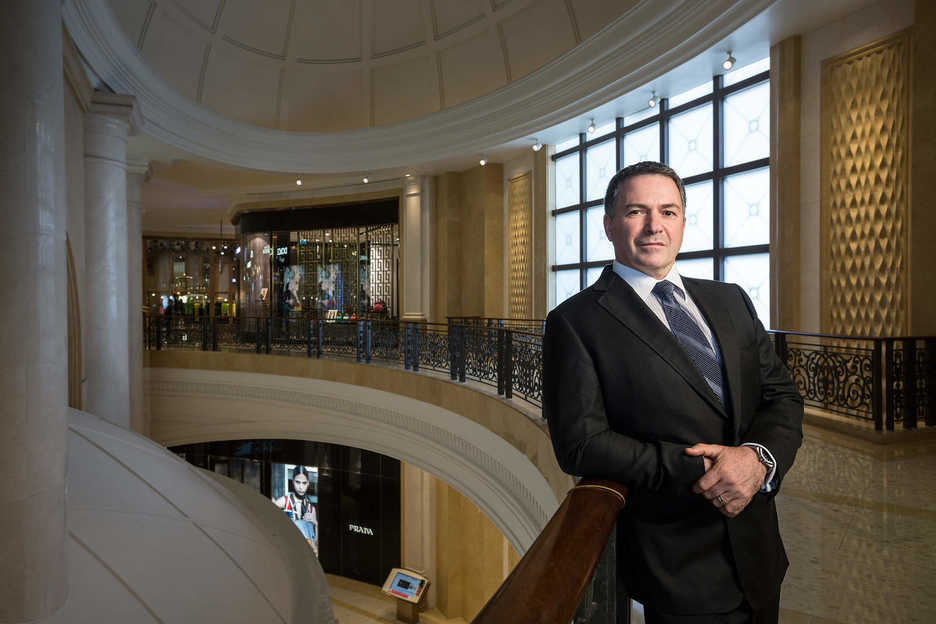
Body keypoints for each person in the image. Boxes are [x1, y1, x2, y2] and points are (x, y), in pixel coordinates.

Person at [543, 161, 803, 623]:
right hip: (678, 563)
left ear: (683, 221)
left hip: (758, 546)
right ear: (608, 224)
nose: (653, 226)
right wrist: (697, 467)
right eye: (636, 211)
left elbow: (780, 395)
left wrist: (758, 458)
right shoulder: (576, 322)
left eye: (668, 211)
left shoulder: (731, 299)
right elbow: (581, 444)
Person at [273, 466, 319, 555]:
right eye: (298, 482)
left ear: (308, 484)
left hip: (305, 552)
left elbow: (316, 542)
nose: (301, 487)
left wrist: (315, 523)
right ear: (293, 482)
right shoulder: (285, 501)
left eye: (304, 483)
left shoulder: (311, 508)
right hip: (287, 548)